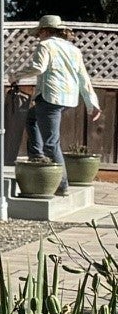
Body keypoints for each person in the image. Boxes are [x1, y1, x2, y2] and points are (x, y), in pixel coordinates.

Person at [18, 13, 100, 189]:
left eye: (39, 32)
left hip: (50, 98)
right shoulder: (73, 49)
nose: (38, 36)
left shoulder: (45, 45)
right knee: (32, 119)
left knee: (51, 142)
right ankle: (37, 156)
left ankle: (62, 185)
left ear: (46, 31)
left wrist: (15, 76)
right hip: (68, 99)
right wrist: (92, 103)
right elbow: (83, 77)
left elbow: (39, 68)